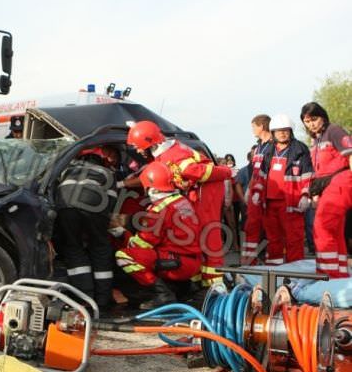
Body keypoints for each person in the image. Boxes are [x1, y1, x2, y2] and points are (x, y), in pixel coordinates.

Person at [125, 121, 232, 287]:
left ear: (149, 143)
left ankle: (215, 282)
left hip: (207, 188)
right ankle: (196, 278)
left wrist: (226, 172)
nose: (138, 151)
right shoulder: (163, 153)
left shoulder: (173, 156)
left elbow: (196, 172)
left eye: (139, 147)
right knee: (195, 231)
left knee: (208, 230)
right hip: (195, 188)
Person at [115, 161, 202, 308]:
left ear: (150, 187)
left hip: (176, 264)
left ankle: (162, 294)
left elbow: (143, 243)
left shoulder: (158, 210)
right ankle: (185, 288)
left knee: (124, 256)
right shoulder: (182, 201)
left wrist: (123, 234)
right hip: (193, 262)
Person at [55, 147, 119, 310]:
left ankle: (83, 298)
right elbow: (111, 202)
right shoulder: (106, 172)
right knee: (100, 247)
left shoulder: (67, 168)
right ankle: (103, 300)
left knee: (73, 248)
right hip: (95, 207)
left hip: (65, 207)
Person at [250, 114, 313, 265]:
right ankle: (274, 272)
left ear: (291, 131)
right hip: (270, 204)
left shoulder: (300, 149)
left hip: (291, 203)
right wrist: (257, 192)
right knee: (273, 240)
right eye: (279, 131)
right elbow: (262, 176)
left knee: (294, 240)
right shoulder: (269, 151)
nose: (283, 133)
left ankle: (295, 275)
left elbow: (307, 174)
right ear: (273, 133)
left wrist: (306, 195)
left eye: (286, 130)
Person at [300, 102, 351, 278]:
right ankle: (340, 274)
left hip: (341, 181)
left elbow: (350, 154)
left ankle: (327, 274)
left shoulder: (334, 131)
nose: (311, 124)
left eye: (314, 119)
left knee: (322, 227)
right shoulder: (316, 140)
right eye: (306, 121)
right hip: (327, 186)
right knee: (334, 231)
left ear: (323, 117)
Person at [241, 115, 272, 265]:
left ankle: (271, 262)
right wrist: (249, 189)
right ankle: (249, 261)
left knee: (270, 228)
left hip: (267, 192)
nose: (252, 130)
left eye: (254, 126)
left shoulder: (273, 145)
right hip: (255, 191)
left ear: (262, 126)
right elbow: (255, 170)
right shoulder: (259, 146)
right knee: (250, 227)